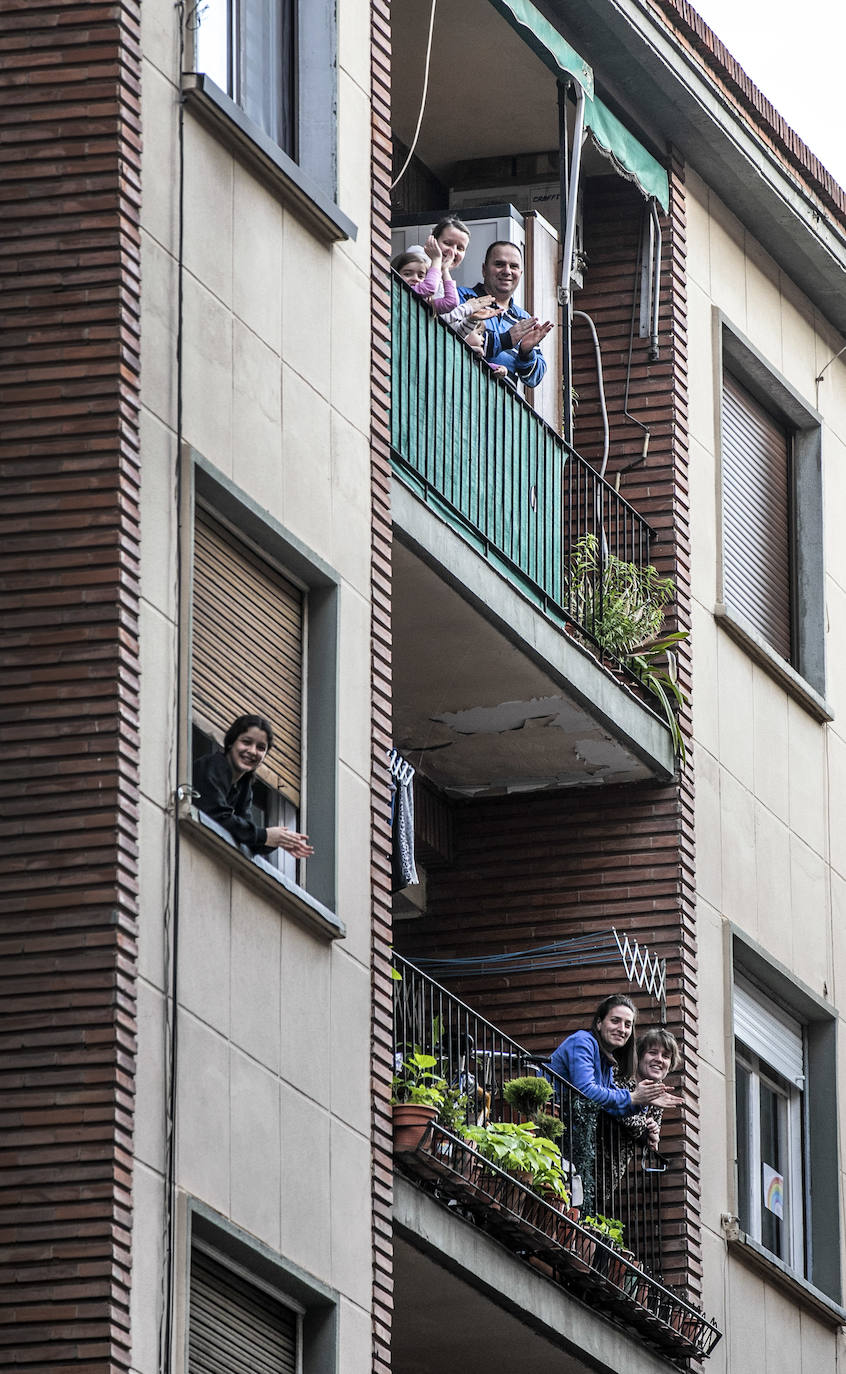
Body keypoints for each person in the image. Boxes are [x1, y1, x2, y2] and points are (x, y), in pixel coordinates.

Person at [548, 995, 680, 1213]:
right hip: (564, 1136)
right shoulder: (583, 1042)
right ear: (599, 1022)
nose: (622, 1029)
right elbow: (586, 1091)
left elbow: (611, 1104)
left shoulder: (607, 1064)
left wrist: (643, 1109)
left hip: (597, 1167)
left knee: (572, 1206)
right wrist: (635, 1100)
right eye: (615, 1021)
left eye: (628, 1024)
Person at [192, 713, 314, 859]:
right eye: (246, 742)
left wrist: (278, 840)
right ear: (231, 742)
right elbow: (218, 816)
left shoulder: (244, 786)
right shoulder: (215, 766)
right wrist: (265, 835)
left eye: (261, 748)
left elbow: (246, 835)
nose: (252, 751)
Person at [457, 240, 553, 387]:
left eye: (513, 266)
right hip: (462, 394)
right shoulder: (463, 298)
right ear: (484, 269)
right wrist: (506, 339)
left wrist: (526, 353)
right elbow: (457, 337)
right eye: (499, 264)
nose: (507, 271)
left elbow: (534, 379)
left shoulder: (524, 319)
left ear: (520, 274)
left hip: (501, 408)